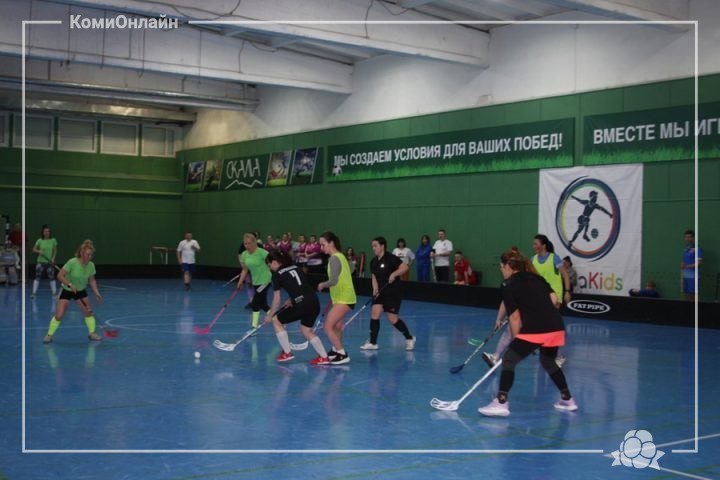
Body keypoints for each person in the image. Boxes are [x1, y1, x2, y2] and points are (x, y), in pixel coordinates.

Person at [478, 247, 577, 417]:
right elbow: (554, 300)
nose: (501, 270)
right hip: (555, 326)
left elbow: (514, 317)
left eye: (501, 267)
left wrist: (516, 339)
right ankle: (567, 399)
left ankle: (501, 403)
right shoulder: (538, 278)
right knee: (548, 362)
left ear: (508, 266)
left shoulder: (508, 285)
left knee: (509, 359)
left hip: (535, 329)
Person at [265, 250, 330, 365]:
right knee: (306, 329)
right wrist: (292, 299)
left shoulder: (277, 275)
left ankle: (287, 353)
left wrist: (270, 315)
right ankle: (324, 357)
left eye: (269, 266)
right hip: (314, 302)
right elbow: (300, 286)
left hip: (301, 304)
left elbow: (277, 299)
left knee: (276, 321)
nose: (270, 269)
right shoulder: (295, 267)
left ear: (274, 262)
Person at [360, 237, 416, 351]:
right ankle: (373, 342)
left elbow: (405, 267)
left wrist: (394, 274)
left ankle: (409, 338)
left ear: (382, 246)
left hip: (393, 291)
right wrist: (375, 289)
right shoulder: (373, 261)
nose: (373, 248)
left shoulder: (391, 258)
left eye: (375, 245)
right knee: (375, 313)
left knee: (392, 319)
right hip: (380, 292)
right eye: (372, 246)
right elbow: (374, 276)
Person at [43, 240, 103, 344]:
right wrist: (70, 285)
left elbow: (92, 280)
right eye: (88, 254)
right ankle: (49, 335)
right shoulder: (72, 262)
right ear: (81, 253)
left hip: (80, 291)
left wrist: (97, 293)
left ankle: (92, 333)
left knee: (88, 312)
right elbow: (60, 276)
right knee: (59, 315)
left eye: (91, 255)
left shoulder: (91, 265)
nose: (90, 257)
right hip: (67, 290)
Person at [317, 231, 357, 365]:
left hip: (344, 298)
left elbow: (333, 280)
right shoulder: (340, 256)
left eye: (323, 244)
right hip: (341, 297)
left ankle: (342, 353)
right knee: (337, 326)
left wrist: (322, 284)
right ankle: (335, 350)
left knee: (327, 326)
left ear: (331, 243)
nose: (321, 247)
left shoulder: (334, 258)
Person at [236, 233, 272, 332]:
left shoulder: (263, 252)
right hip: (255, 281)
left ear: (254, 243)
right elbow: (245, 269)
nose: (247, 246)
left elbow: (272, 264)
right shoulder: (244, 254)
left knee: (255, 302)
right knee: (263, 304)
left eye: (249, 243)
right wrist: (240, 282)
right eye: (245, 244)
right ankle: (278, 319)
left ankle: (253, 327)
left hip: (265, 280)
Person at [32, 224, 58, 298]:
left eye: (48, 231)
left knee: (52, 277)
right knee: (37, 277)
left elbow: (55, 250)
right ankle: (34, 293)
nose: (46, 233)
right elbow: (34, 249)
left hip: (49, 262)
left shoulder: (53, 240)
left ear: (50, 232)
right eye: (45, 231)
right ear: (42, 232)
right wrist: (39, 251)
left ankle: (54, 293)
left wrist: (53, 258)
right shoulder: (39, 240)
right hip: (40, 262)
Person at [681, 229, 703, 301]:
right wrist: (682, 264)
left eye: (689, 237)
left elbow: (699, 263)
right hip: (685, 276)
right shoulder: (685, 249)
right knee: (686, 295)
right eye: (686, 237)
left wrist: (687, 266)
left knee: (693, 296)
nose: (687, 239)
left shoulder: (697, 248)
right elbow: (684, 261)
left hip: (693, 277)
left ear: (693, 238)